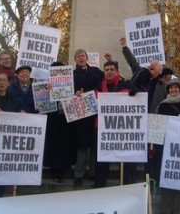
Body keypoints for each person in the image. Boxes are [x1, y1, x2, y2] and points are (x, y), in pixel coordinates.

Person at [119, 37, 170, 184]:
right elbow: (132, 61)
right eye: (150, 64)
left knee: (150, 154)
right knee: (133, 151)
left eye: (155, 64)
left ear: (160, 71)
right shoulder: (141, 75)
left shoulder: (163, 85)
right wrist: (124, 48)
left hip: (153, 122)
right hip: (135, 121)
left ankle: (150, 181)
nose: (151, 65)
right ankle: (130, 179)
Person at [93, 60, 137, 188]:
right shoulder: (97, 87)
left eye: (112, 69)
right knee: (102, 160)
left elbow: (136, 96)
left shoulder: (126, 85)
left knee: (122, 160)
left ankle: (125, 185)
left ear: (117, 72)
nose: (109, 72)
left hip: (121, 129)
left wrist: (132, 88)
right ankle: (99, 186)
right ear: (104, 72)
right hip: (102, 128)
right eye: (107, 70)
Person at [156, 79, 180, 214]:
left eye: (176, 88)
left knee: (179, 179)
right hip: (166, 148)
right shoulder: (163, 105)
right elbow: (158, 126)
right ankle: (165, 209)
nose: (173, 90)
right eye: (171, 88)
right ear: (168, 91)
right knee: (167, 178)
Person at [72, 49, 104, 186]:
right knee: (82, 145)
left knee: (95, 144)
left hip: (97, 112)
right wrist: (75, 92)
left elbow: (106, 80)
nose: (81, 58)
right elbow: (67, 91)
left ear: (87, 58)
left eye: (83, 56)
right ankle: (79, 174)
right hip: (82, 114)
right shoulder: (72, 75)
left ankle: (93, 172)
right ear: (75, 59)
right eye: (78, 56)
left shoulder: (96, 71)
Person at [43, 61, 76, 183]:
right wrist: (48, 90)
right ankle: (56, 171)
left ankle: (63, 168)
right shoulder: (46, 84)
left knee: (64, 145)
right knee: (54, 146)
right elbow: (41, 103)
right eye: (54, 71)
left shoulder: (70, 84)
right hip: (52, 118)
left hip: (65, 118)